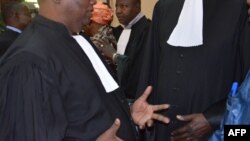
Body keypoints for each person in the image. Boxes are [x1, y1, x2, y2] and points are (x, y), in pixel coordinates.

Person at [0, 0, 170, 141]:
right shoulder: (29, 61)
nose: (94, 2)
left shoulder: (80, 41)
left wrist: (127, 114)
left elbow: (86, 112)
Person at [136, 0, 250, 140]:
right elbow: (150, 70)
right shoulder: (163, 7)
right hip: (163, 131)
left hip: (213, 132)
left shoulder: (238, 7)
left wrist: (213, 119)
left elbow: (246, 81)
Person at [112, 0, 151, 102]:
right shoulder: (128, 28)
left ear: (137, 7)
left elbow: (136, 69)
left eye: (124, 6)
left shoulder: (146, 30)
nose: (118, 11)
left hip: (137, 98)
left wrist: (113, 55)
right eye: (117, 6)